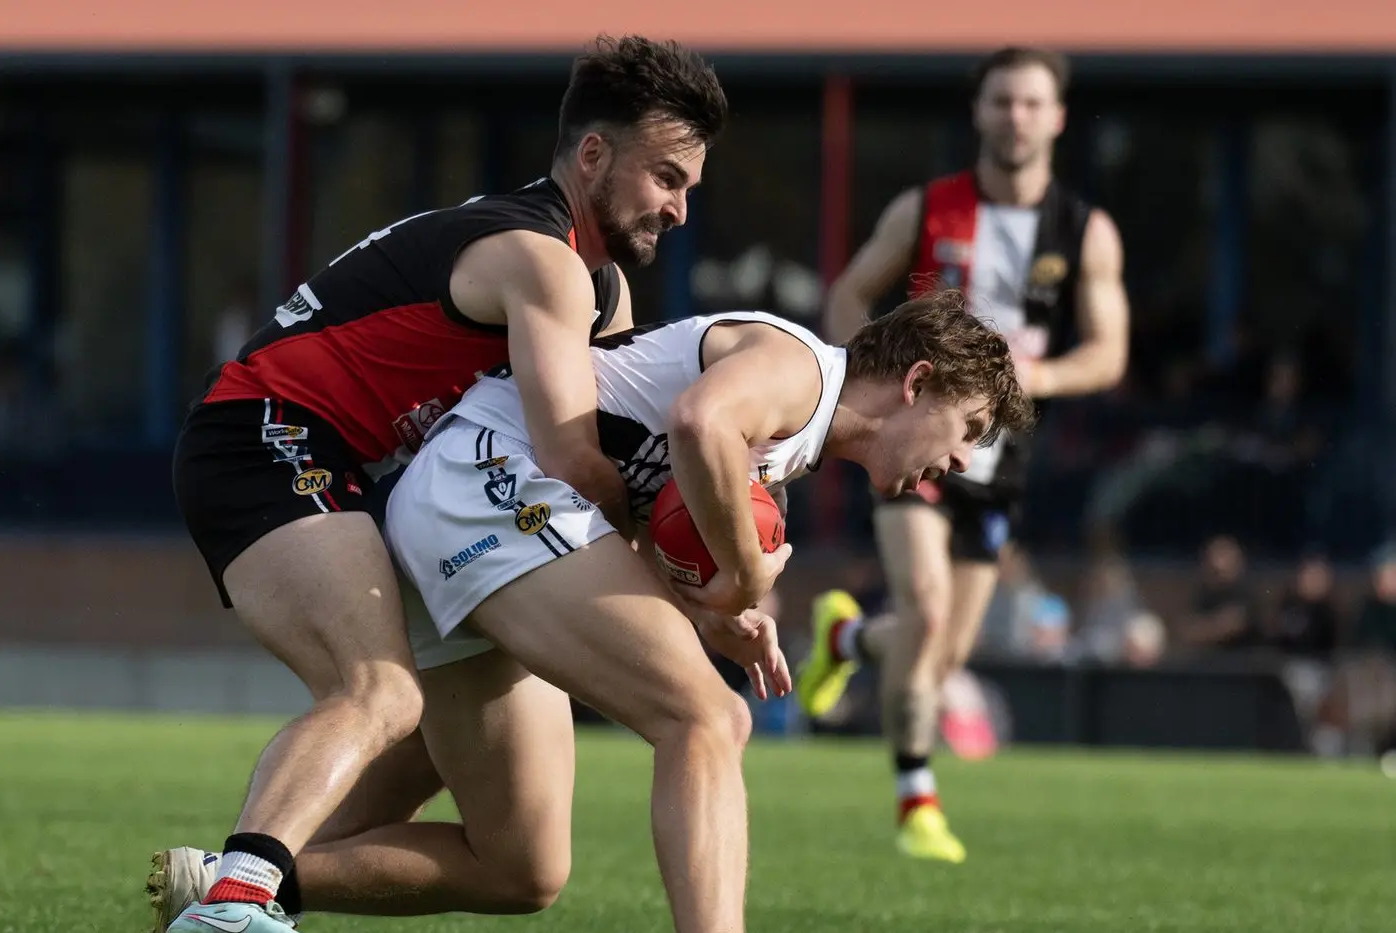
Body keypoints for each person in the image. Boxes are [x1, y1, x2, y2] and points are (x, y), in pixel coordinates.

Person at [150, 293, 1034, 933]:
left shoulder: (786, 449)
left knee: (522, 866)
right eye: (965, 432)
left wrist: (708, 609)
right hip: (491, 489)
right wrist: (744, 574)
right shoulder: (803, 368)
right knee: (707, 717)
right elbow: (698, 422)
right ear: (917, 381)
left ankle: (241, 883)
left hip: (492, 510)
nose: (955, 467)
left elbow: (644, 503)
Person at [155, 34, 727, 933]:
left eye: (690, 185)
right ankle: (232, 906)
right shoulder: (539, 260)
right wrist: (698, 573)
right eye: (666, 177)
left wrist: (692, 571)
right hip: (265, 435)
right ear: (592, 154)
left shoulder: (600, 285)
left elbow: (615, 466)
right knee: (376, 692)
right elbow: (578, 462)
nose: (681, 209)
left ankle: (237, 879)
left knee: (523, 865)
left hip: (411, 498)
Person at [795, 45, 1129, 863]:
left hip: (1001, 459)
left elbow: (1109, 353)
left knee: (937, 648)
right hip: (913, 440)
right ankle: (918, 800)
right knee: (930, 612)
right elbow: (846, 293)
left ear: (1056, 119)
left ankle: (846, 643)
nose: (1015, 116)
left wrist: (1032, 373)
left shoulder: (1084, 231)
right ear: (978, 113)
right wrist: (863, 393)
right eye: (1001, 101)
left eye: (1031, 103)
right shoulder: (927, 208)